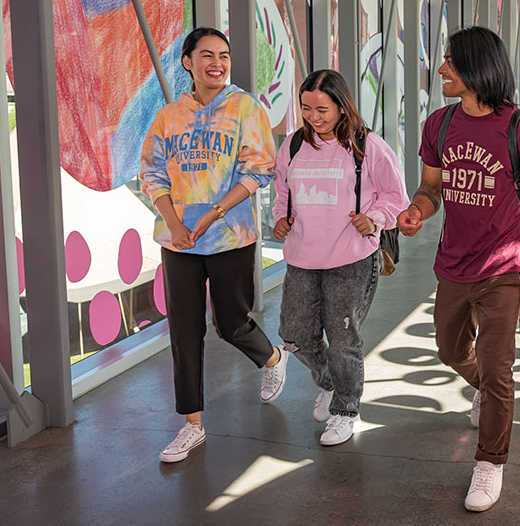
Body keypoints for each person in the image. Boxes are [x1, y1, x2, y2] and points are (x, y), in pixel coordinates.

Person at [396, 26, 520, 512]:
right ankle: (489, 394)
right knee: (451, 351)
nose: (442, 70)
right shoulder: (440, 125)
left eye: (450, 62)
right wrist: (417, 212)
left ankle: (490, 462)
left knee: (498, 368)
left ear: (477, 69)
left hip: (505, 269)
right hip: (453, 264)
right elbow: (431, 189)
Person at [140, 27, 288, 464]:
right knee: (185, 333)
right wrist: (174, 222)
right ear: (187, 62)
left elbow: (259, 168)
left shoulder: (245, 109)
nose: (217, 63)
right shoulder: (169, 117)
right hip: (179, 241)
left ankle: (272, 357)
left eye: (223, 55)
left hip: (231, 237)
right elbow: (151, 173)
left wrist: (210, 215)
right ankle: (191, 425)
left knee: (231, 323)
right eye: (207, 55)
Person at [273, 69, 408, 446]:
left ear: (342, 105)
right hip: (302, 256)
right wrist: (280, 219)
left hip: (351, 257)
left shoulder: (368, 145)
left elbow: (395, 196)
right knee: (295, 334)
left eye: (322, 109)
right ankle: (330, 383)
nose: (314, 117)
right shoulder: (294, 145)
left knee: (343, 337)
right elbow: (281, 187)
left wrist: (374, 219)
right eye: (306, 109)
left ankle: (346, 411)